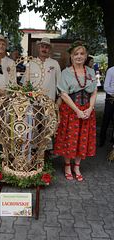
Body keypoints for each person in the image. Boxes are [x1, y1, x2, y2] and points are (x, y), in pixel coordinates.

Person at [54, 40, 97, 181]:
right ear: (71, 56)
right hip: (71, 110)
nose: (79, 56)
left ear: (86, 56)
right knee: (69, 138)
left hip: (86, 110)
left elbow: (94, 91)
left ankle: (77, 166)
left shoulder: (90, 71)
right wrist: (77, 110)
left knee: (82, 138)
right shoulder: (65, 73)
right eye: (76, 54)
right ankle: (67, 165)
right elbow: (64, 94)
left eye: (82, 54)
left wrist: (90, 108)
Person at [99, 66, 114, 147]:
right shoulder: (111, 70)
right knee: (106, 119)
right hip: (110, 99)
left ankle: (112, 138)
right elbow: (106, 87)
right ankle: (102, 139)